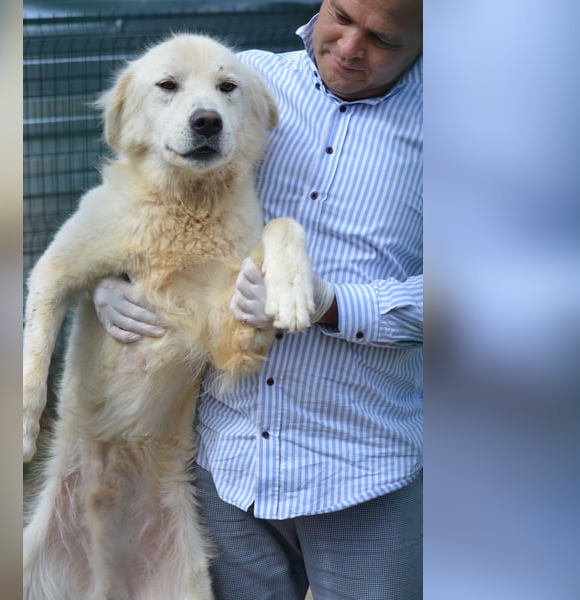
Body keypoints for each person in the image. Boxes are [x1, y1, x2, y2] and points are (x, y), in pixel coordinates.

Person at [93, 0, 423, 597]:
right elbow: (142, 187)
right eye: (342, 17)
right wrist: (110, 281)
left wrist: (333, 305)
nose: (350, 48)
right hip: (227, 458)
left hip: (359, 466)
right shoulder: (236, 79)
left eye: (383, 39)